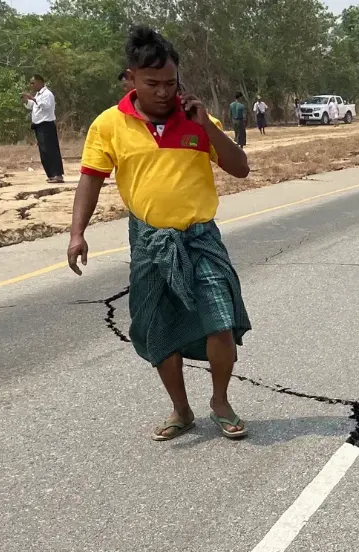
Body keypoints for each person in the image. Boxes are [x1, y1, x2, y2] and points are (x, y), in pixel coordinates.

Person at [67, 26, 253, 442]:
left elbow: (240, 168)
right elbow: (91, 179)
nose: (164, 92)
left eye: (171, 83)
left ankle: (220, 402)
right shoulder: (109, 125)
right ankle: (181, 410)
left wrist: (208, 128)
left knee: (220, 324)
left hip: (200, 237)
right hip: (150, 241)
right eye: (153, 84)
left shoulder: (197, 119)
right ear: (129, 79)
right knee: (158, 328)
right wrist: (77, 233)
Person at [22, 75, 64, 183]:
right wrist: (27, 100)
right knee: (44, 151)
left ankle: (58, 175)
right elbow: (32, 106)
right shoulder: (38, 95)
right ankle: (51, 174)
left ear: (40, 82)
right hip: (39, 126)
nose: (31, 85)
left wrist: (33, 98)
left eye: (33, 83)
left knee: (51, 150)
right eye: (30, 83)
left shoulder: (47, 94)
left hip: (47, 125)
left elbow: (46, 106)